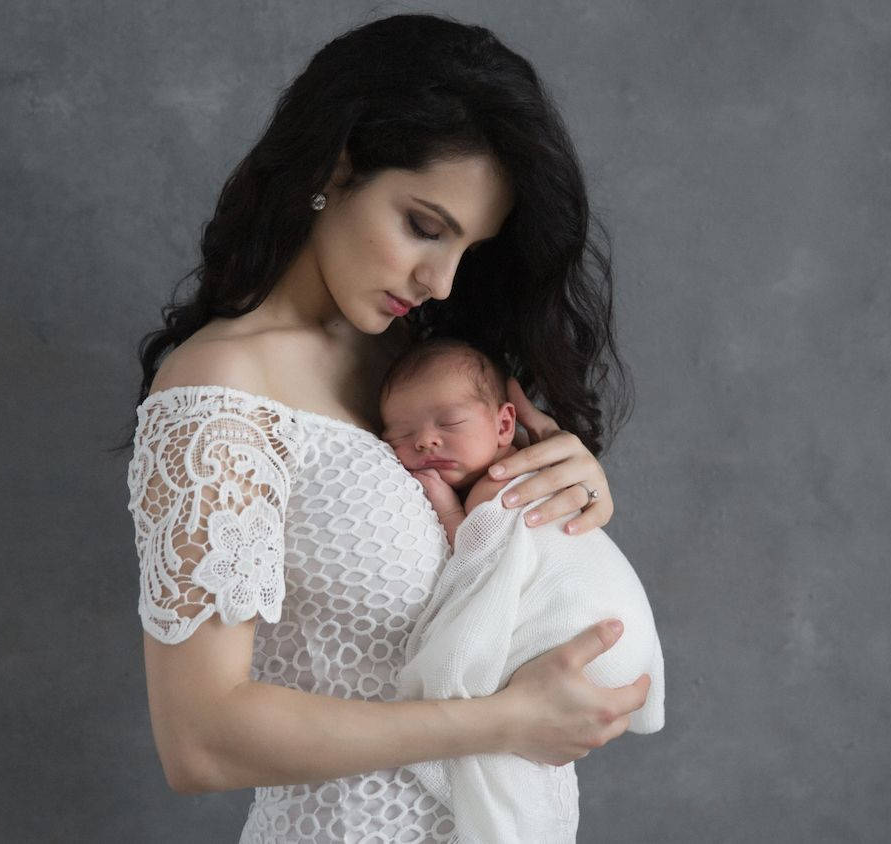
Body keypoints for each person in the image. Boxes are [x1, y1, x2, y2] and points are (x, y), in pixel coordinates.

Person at [118, 13, 651, 843]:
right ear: (335, 166)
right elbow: (201, 741)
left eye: (468, 250)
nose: (439, 280)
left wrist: (566, 495)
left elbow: (508, 585)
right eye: (425, 227)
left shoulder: (428, 370)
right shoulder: (221, 388)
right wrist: (500, 722)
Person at [377, 337, 665, 842]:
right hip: (617, 652)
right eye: (399, 434)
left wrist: (446, 509)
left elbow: (476, 556)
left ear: (505, 425)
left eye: (449, 424)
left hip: (576, 628)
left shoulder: (499, 483)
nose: (424, 441)